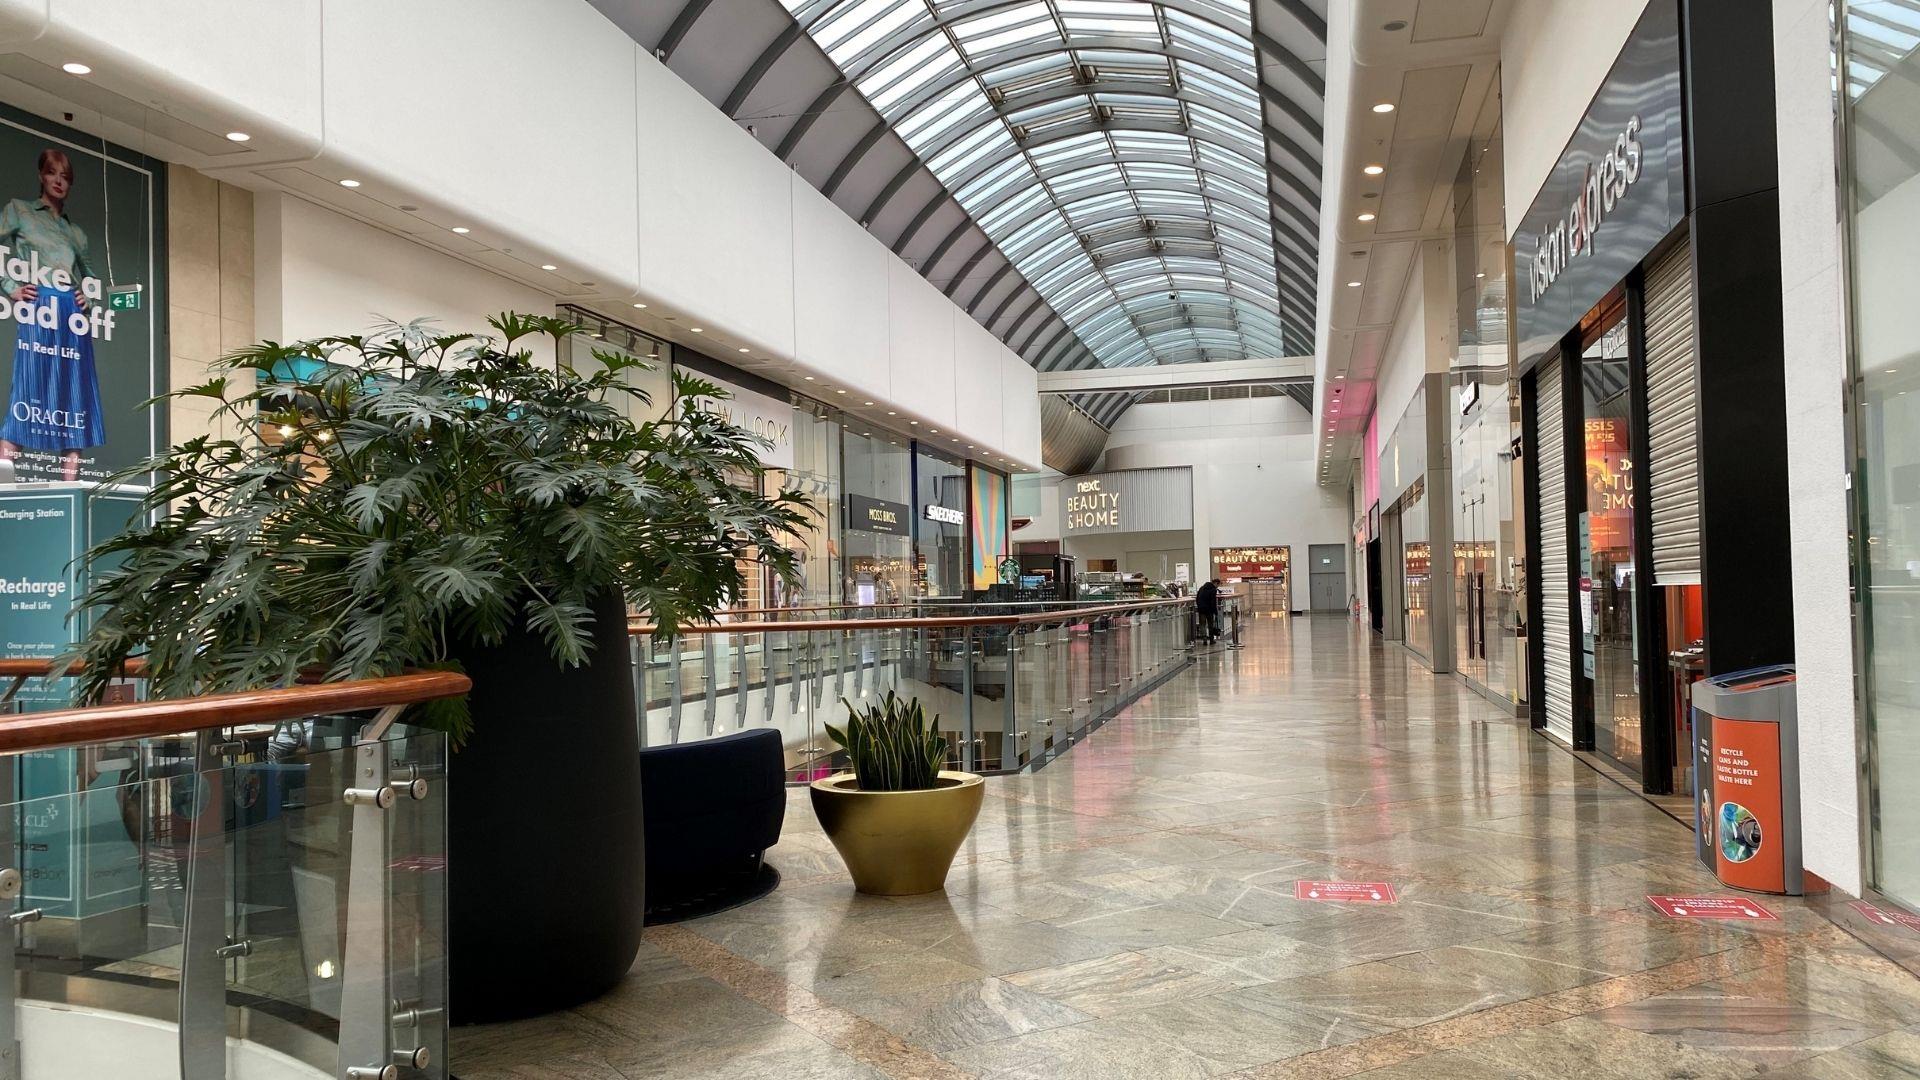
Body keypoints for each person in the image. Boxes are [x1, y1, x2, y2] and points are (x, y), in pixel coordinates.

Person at [0, 148, 105, 483]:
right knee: (28, 389)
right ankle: (4, 485)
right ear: (41, 176)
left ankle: (69, 490)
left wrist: (86, 296)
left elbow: (90, 277)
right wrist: (9, 286)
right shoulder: (19, 211)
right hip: (39, 306)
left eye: (65, 177)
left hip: (71, 316)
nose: (58, 181)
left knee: (75, 395)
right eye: (52, 173)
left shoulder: (75, 232)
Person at [1195, 578, 1220, 644]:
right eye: (1218, 585)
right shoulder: (1213, 590)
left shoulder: (1201, 588)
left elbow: (1197, 598)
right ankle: (1211, 640)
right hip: (1209, 610)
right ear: (1216, 583)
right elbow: (1213, 602)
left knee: (1202, 624)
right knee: (1210, 624)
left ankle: (1204, 639)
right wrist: (1215, 611)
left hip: (1201, 609)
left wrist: (1199, 606)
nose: (1218, 586)